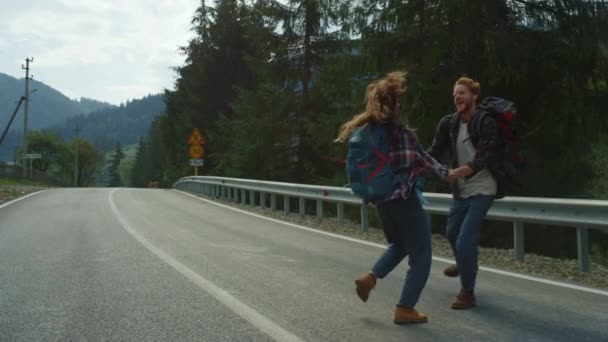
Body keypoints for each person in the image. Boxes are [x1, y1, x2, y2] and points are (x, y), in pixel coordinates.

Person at [335, 71, 455, 324]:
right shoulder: (402, 134)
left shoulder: (368, 132)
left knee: (400, 245)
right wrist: (449, 174)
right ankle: (405, 308)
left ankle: (370, 278)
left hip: (382, 203)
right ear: (395, 104)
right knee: (421, 255)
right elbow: (424, 160)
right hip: (405, 201)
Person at [427, 76, 500, 310]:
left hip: (483, 188)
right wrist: (414, 161)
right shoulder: (449, 123)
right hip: (461, 190)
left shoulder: (486, 122)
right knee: (451, 233)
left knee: (465, 238)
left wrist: (456, 173)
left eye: (463, 93)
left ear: (474, 96)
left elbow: (484, 158)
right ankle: (464, 262)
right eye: (455, 94)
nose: (458, 97)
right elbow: (434, 151)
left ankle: (467, 292)